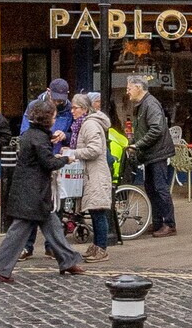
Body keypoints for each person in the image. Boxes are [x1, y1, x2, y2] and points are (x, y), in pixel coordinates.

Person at [0, 98, 84, 282]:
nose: (55, 119)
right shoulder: (38, 138)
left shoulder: (32, 134)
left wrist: (50, 140)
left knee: (54, 227)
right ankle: (0, 268)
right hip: (33, 194)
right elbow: (48, 163)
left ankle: (68, 261)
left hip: (31, 192)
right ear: (47, 118)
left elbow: (39, 151)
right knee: (17, 234)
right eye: (53, 116)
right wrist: (66, 159)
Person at [126, 75, 176, 238]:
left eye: (129, 88)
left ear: (139, 88)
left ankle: (169, 224)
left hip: (157, 153)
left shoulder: (150, 103)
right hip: (150, 154)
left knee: (160, 188)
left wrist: (137, 145)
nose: (127, 91)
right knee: (151, 188)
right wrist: (134, 142)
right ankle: (158, 221)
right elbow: (143, 129)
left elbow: (157, 129)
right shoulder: (142, 104)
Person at [69, 92, 115, 261]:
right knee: (95, 212)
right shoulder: (84, 124)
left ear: (84, 109)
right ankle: (96, 246)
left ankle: (101, 249)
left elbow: (95, 150)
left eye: (75, 108)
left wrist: (73, 153)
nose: (72, 111)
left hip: (96, 174)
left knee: (98, 212)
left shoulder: (90, 125)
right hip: (91, 174)